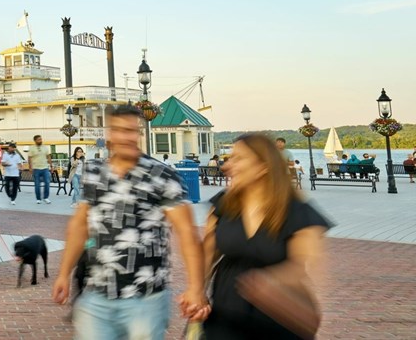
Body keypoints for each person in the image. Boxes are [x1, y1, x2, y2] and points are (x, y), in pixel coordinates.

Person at [52, 105, 208, 339]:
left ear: (139, 133)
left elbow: (186, 233)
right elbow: (80, 226)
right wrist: (64, 273)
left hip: (146, 299)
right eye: (119, 130)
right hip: (98, 295)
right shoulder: (93, 173)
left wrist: (196, 288)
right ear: (109, 134)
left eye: (132, 131)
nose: (126, 137)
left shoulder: (162, 175)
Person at [202, 133, 330, 339]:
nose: (227, 166)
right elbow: (207, 254)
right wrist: (196, 292)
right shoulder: (223, 205)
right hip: (225, 318)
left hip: (278, 318)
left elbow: (308, 267)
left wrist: (270, 280)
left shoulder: (298, 211)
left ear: (263, 167)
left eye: (239, 159)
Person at [28, 134, 52, 204]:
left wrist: (51, 166)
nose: (40, 140)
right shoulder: (32, 148)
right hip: (36, 169)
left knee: (47, 183)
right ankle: (38, 199)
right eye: (39, 139)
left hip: (45, 168)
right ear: (35, 141)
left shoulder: (45, 147)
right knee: (37, 184)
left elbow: (48, 157)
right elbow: (29, 158)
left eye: (41, 139)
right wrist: (30, 167)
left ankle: (46, 197)